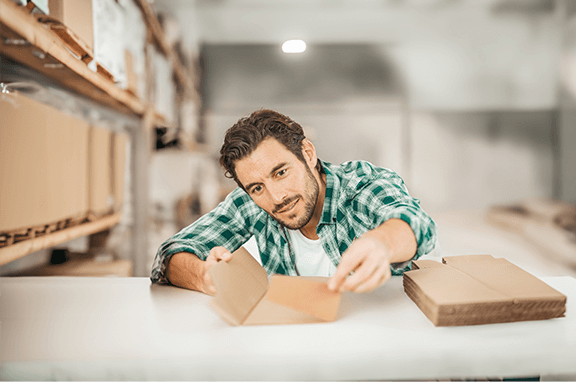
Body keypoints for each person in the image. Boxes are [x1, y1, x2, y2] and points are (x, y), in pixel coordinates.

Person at [151, 109, 437, 295]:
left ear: (308, 154)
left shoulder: (360, 185)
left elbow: (417, 224)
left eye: (281, 172)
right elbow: (170, 254)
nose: (277, 197)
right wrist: (203, 275)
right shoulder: (251, 201)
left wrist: (382, 243)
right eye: (257, 187)